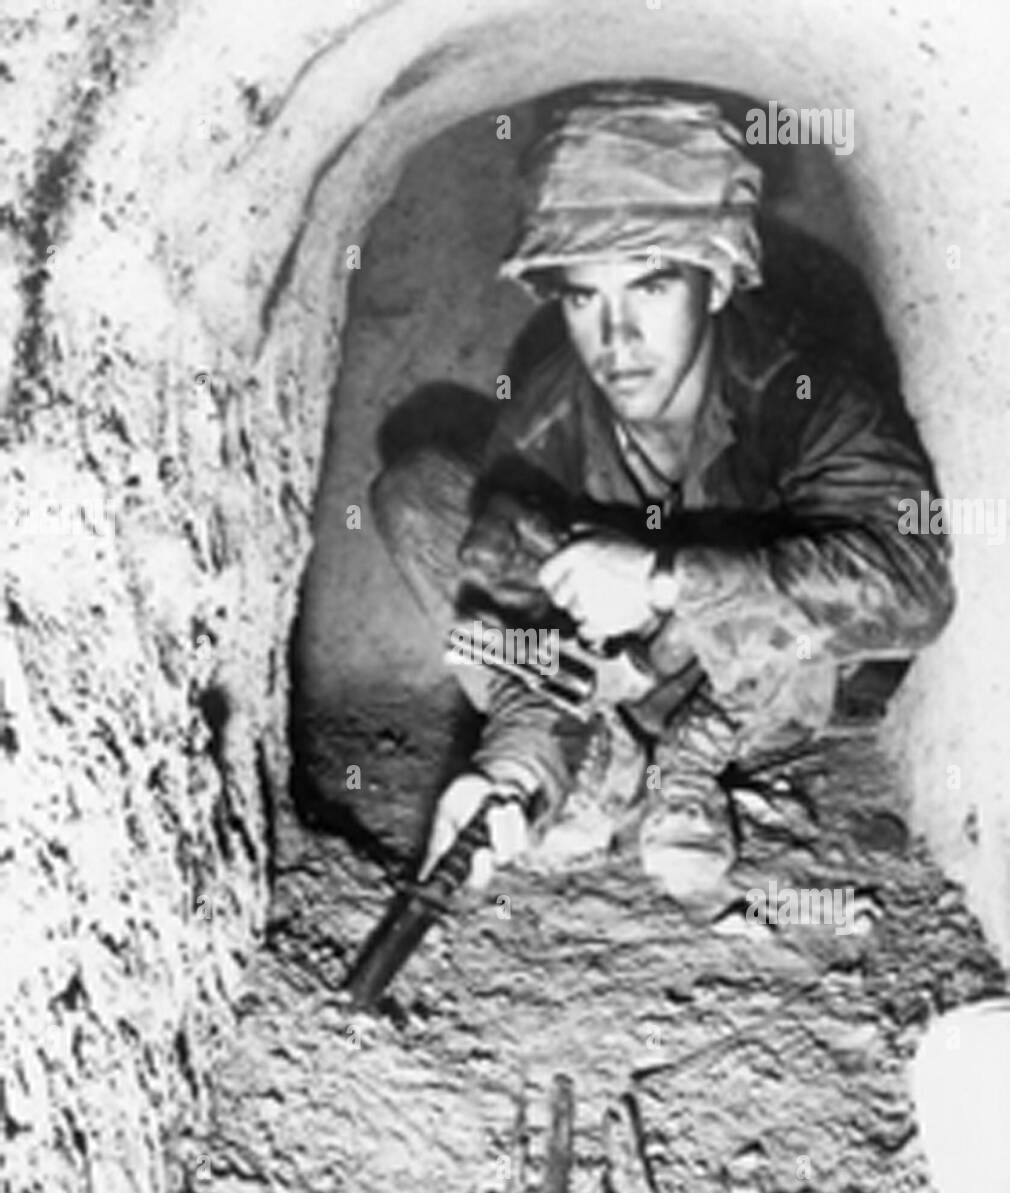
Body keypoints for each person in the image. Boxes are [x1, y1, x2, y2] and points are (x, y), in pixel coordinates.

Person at [371, 89, 954, 902]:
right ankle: (603, 765)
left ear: (715, 282)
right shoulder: (547, 418)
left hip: (753, 681)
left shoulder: (806, 388)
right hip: (618, 672)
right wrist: (512, 772)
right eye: (584, 296)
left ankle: (692, 766)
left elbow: (914, 588)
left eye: (649, 287)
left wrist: (665, 578)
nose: (615, 340)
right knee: (417, 492)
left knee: (793, 586)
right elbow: (523, 633)